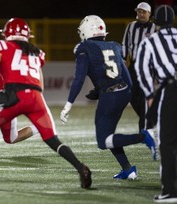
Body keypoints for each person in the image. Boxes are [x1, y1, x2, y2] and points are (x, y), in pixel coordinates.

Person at [0, 18, 92, 189]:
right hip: (36, 98)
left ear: (8, 33)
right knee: (52, 139)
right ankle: (81, 168)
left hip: (13, 96)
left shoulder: (1, 46)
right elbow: (40, 83)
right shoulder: (37, 52)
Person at [60, 15, 157, 180]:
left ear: (85, 31)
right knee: (109, 135)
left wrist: (69, 104)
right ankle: (127, 169)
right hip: (123, 91)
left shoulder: (84, 47)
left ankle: (144, 137)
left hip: (110, 95)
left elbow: (79, 78)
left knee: (103, 141)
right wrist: (103, 90)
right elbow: (127, 78)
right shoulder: (114, 46)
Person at [134, 5, 177, 203]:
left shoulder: (150, 41)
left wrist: (150, 95)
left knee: (167, 142)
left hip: (171, 89)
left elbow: (142, 70)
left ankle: (170, 190)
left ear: (156, 21)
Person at [122, 2, 157, 132]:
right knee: (129, 94)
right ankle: (148, 119)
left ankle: (144, 129)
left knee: (144, 96)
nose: (141, 14)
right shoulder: (131, 26)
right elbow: (125, 44)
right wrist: (122, 62)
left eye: (143, 12)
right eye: (139, 11)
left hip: (148, 67)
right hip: (134, 65)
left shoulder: (155, 28)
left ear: (149, 14)